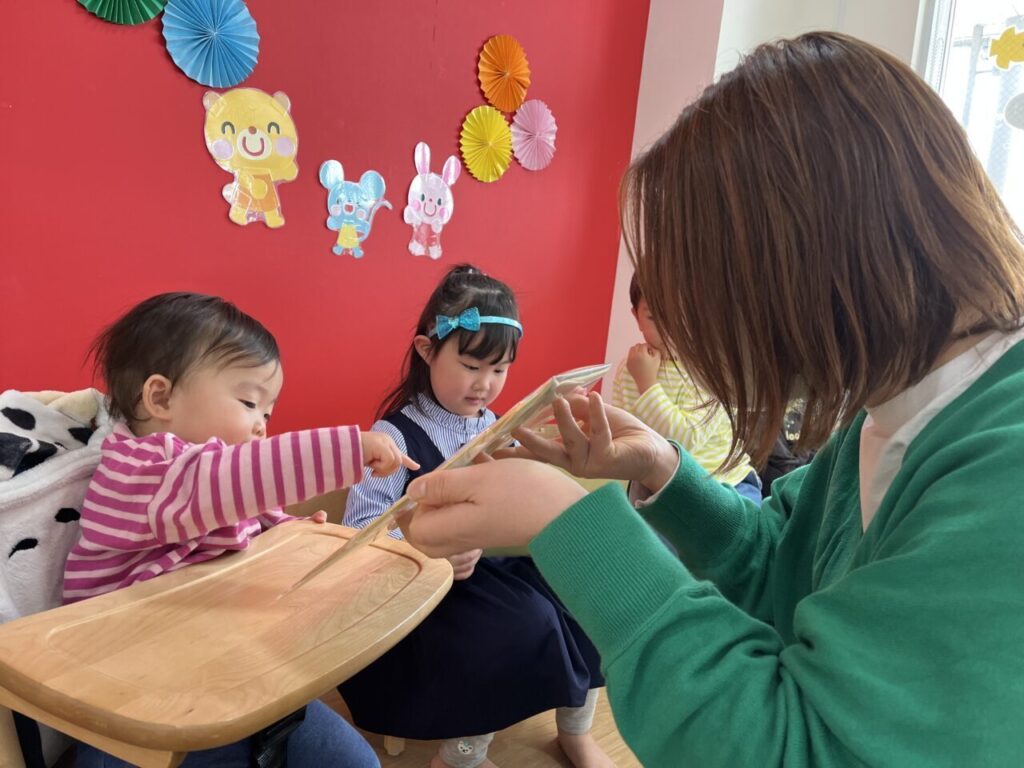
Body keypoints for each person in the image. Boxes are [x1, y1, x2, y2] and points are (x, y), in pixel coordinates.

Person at [395, 32, 1024, 766]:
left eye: (704, 290)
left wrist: (566, 522)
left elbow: (800, 745)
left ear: (807, 257)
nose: (692, 336)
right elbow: (778, 562)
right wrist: (663, 469)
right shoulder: (887, 412)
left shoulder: (1001, 464)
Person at [67, 291, 415, 768]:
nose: (261, 426)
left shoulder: (220, 487)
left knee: (356, 761)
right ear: (161, 398)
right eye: (250, 403)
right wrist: (349, 451)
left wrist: (294, 534)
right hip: (131, 708)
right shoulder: (138, 474)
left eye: (267, 413)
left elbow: (253, 515)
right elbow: (229, 480)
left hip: (230, 680)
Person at [340, 265, 611, 768]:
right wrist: (425, 547)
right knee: (516, 630)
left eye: (499, 370)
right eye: (470, 365)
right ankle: (461, 756)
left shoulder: (496, 425)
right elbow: (359, 531)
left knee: (591, 594)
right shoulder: (394, 437)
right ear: (427, 351)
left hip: (498, 563)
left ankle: (576, 731)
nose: (485, 385)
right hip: (432, 584)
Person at [612, 273, 761, 502]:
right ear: (637, 317)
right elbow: (624, 431)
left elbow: (683, 443)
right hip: (656, 484)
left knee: (742, 522)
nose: (670, 328)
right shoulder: (630, 367)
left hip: (723, 483)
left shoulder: (711, 370)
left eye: (682, 315)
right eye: (654, 317)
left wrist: (647, 384)